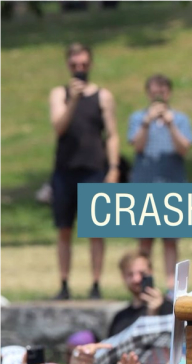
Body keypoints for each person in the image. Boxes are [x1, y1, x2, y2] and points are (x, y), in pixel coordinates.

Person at [49, 42, 120, 300]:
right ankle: (64, 283)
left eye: (84, 64)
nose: (80, 69)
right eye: (75, 65)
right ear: (68, 64)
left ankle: (96, 283)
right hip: (65, 170)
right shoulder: (59, 94)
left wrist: (113, 169)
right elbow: (59, 126)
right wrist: (74, 98)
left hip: (93, 169)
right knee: (64, 228)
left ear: (90, 64)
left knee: (95, 230)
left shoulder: (103, 96)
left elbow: (112, 134)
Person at [128, 74, 192, 294]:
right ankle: (145, 283)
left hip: (173, 187)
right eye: (154, 91)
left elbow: (184, 148)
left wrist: (170, 124)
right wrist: (147, 122)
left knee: (170, 241)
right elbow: (137, 146)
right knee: (145, 240)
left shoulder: (180, 118)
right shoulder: (138, 117)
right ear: (148, 93)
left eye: (162, 91)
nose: (159, 95)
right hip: (144, 187)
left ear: (169, 93)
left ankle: (170, 287)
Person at [108, 252, 174, 338]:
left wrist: (153, 314)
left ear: (151, 272)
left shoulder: (169, 308)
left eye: (142, 273)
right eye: (130, 274)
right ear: (123, 277)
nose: (136, 279)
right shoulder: (120, 318)